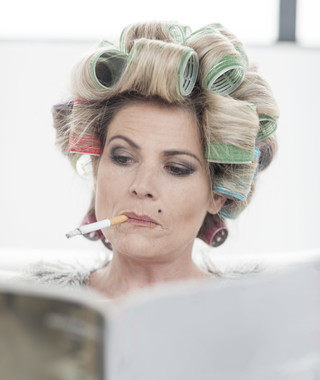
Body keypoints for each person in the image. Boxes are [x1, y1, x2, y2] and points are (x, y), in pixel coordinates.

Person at [29, 21, 279, 299]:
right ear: (97, 168)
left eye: (176, 168)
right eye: (123, 158)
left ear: (218, 193)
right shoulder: (32, 307)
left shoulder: (254, 315)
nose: (142, 186)